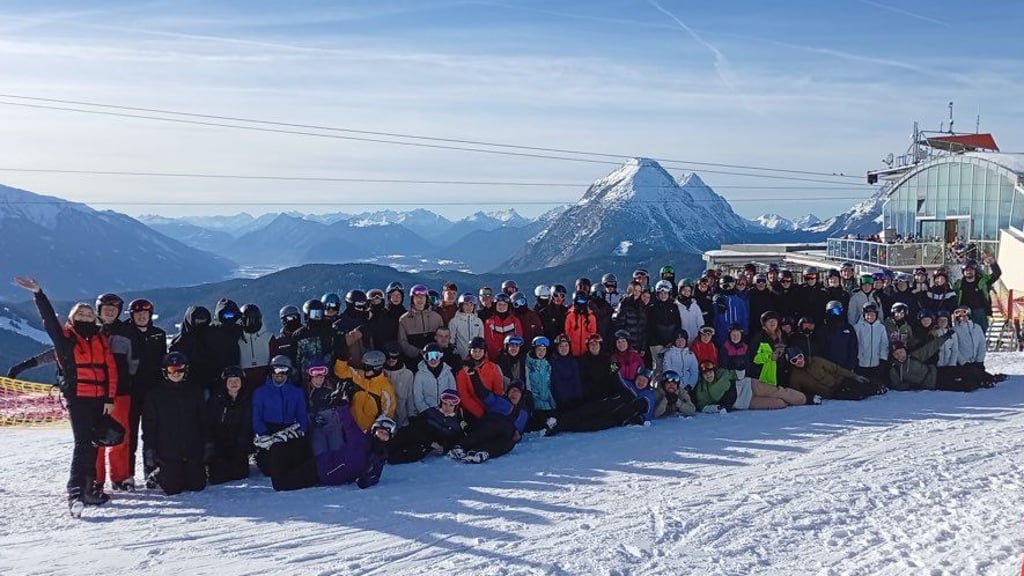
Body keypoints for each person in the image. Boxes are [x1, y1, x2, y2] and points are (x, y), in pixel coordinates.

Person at [17, 276, 118, 514]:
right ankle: (75, 491)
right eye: (80, 314)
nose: (84, 317)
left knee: (95, 443)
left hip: (99, 399)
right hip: (78, 398)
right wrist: (39, 293)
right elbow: (49, 320)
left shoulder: (100, 339)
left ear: (94, 318)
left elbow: (110, 371)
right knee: (83, 443)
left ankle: (90, 489)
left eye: (88, 314)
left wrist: (109, 399)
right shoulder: (65, 341)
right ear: (72, 319)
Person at [141, 352, 207, 496]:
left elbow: (203, 419)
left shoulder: (194, 391)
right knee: (173, 489)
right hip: (168, 452)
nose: (176, 374)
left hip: (191, 449)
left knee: (197, 485)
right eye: (172, 370)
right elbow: (149, 425)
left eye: (180, 369)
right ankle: (158, 473)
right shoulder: (155, 395)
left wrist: (208, 443)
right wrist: (149, 449)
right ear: (165, 371)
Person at [252, 355, 318, 491]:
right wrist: (263, 434)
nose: (280, 375)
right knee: (273, 466)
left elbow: (301, 415)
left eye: (284, 371)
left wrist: (300, 431)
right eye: (276, 371)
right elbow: (256, 417)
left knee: (299, 461)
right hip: (270, 432)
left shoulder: (296, 392)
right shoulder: (260, 392)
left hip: (289, 431)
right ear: (271, 372)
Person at [93, 293, 133, 492]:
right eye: (106, 308)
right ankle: (96, 479)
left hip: (121, 392)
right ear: (99, 309)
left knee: (121, 435)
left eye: (114, 309)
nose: (110, 311)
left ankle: (120, 477)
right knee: (95, 437)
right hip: (94, 393)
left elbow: (133, 362)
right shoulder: (88, 330)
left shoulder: (125, 332)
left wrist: (126, 379)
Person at [543, 369, 655, 435]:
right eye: (639, 379)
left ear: (648, 383)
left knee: (588, 425)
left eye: (644, 381)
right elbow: (615, 375)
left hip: (613, 417)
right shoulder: (627, 384)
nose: (640, 382)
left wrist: (640, 419)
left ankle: (558, 428)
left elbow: (647, 414)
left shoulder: (647, 395)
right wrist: (613, 366)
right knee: (583, 412)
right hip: (607, 404)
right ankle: (555, 421)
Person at [449, 375, 530, 463]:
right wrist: (473, 375)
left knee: (510, 442)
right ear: (507, 392)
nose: (514, 393)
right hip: (491, 423)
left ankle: (482, 452)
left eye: (518, 392)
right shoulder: (499, 400)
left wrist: (518, 437)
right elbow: (482, 392)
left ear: (522, 396)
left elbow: (519, 433)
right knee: (494, 426)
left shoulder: (524, 413)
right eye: (512, 390)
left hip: (505, 433)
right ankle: (461, 447)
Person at [388, 389, 467, 464]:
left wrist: (444, 448)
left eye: (451, 405)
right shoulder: (431, 412)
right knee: (403, 434)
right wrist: (430, 442)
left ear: (456, 406)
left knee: (411, 453)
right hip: (417, 437)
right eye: (445, 404)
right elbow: (414, 427)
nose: (447, 407)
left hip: (424, 446)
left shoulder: (457, 421)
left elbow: (456, 440)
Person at [694, 360, 805, 412]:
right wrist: (717, 408)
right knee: (779, 404)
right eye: (705, 373)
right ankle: (790, 400)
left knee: (778, 391)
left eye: (710, 372)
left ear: (714, 371)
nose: (708, 375)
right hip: (744, 402)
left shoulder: (722, 373)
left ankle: (805, 399)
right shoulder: (702, 388)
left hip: (748, 386)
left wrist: (741, 368)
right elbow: (703, 406)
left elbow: (739, 375)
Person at [205, 366, 253, 485]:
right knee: (218, 478)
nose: (234, 384)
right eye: (230, 381)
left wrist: (244, 442)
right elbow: (209, 423)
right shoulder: (216, 399)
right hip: (219, 444)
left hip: (239, 443)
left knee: (240, 475)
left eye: (237, 380)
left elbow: (247, 423)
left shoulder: (247, 398)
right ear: (225, 383)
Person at [785, 348, 883, 400]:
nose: (799, 361)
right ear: (791, 363)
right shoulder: (795, 377)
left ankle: (878, 388)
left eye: (800, 357)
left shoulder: (816, 361)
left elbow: (836, 369)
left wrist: (854, 376)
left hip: (840, 381)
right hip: (831, 393)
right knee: (856, 395)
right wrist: (809, 398)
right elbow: (796, 393)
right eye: (794, 360)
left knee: (860, 384)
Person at [455, 336, 504, 423]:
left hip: (491, 407)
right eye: (474, 351)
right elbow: (464, 395)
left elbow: (498, 389)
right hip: (472, 411)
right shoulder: (463, 371)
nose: (477, 354)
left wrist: (495, 407)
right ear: (470, 351)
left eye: (480, 351)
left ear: (484, 352)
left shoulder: (492, 367)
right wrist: (480, 413)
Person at [398, 285, 445, 370]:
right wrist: (418, 352)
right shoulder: (404, 319)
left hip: (434, 359)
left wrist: (436, 353)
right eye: (417, 297)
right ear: (412, 299)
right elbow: (402, 342)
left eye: (422, 297)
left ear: (426, 298)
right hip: (413, 361)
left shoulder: (436, 317)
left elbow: (442, 337)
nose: (420, 300)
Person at [955, 257, 1002, 332]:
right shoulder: (959, 284)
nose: (968, 272)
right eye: (966, 270)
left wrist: (993, 263)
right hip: (965, 313)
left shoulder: (983, 282)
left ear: (975, 271)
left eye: (971, 270)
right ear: (963, 272)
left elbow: (997, 274)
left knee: (981, 334)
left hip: (980, 312)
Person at [412, 342, 458, 415]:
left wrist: (447, 409)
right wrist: (428, 412)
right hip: (428, 413)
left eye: (436, 356)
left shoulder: (448, 373)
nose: (433, 360)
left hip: (446, 411)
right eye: (429, 356)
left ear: (441, 356)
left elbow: (453, 393)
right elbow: (418, 397)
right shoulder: (420, 375)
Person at [647, 280, 682, 375]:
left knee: (671, 366)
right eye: (661, 293)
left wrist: (673, 340)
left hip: (670, 342)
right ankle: (656, 388)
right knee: (658, 368)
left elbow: (678, 324)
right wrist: (659, 341)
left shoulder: (674, 307)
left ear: (669, 293)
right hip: (656, 343)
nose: (663, 295)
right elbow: (650, 327)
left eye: (665, 293)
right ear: (657, 294)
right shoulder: (652, 308)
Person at [293, 299, 335, 376]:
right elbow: (296, 358)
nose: (316, 317)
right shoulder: (299, 334)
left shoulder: (329, 332)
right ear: (307, 314)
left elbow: (334, 352)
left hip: (327, 373)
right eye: (314, 314)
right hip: (306, 374)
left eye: (319, 314)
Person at [238, 304, 274, 391]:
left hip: (266, 380)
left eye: (254, 319)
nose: (251, 323)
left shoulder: (268, 337)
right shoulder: (237, 339)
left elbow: (274, 358)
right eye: (248, 320)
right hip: (243, 382)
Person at [207, 298, 243, 381]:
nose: (229, 318)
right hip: (214, 378)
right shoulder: (209, 333)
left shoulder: (238, 331)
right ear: (219, 315)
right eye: (226, 315)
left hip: (234, 378)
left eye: (231, 315)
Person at [525, 336, 556, 431]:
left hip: (547, 401)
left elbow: (548, 383)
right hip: (535, 401)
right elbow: (527, 382)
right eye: (539, 349)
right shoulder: (528, 364)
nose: (541, 352)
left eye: (544, 350)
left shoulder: (546, 363)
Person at [854, 303, 889, 387]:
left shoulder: (881, 327)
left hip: (875, 362)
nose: (870, 317)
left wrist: (883, 359)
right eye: (868, 315)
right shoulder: (858, 327)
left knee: (875, 384)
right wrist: (855, 359)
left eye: (873, 315)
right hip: (862, 362)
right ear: (864, 315)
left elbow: (884, 344)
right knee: (862, 384)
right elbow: (855, 344)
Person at [548, 334, 584, 414]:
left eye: (566, 345)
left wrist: (579, 398)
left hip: (575, 401)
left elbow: (577, 381)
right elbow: (553, 384)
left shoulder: (573, 361)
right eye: (561, 346)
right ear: (557, 348)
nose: (564, 348)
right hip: (560, 403)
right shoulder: (552, 363)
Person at [483, 294, 523, 362]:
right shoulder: (489, 322)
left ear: (508, 306)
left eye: (505, 305)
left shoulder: (514, 321)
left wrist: (509, 351)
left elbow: (518, 337)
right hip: (495, 357)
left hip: (511, 355)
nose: (502, 307)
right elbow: (488, 340)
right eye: (499, 304)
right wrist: (498, 353)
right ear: (495, 305)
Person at [383, 343, 415, 426]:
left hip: (403, 421)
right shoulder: (381, 374)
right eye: (388, 357)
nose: (391, 359)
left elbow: (410, 396)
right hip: (384, 422)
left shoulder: (408, 374)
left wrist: (412, 415)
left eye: (394, 357)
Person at [613, 284, 649, 358]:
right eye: (635, 290)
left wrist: (643, 347)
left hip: (639, 348)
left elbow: (643, 329)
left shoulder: (642, 306)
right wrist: (627, 347)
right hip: (626, 348)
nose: (637, 293)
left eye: (639, 291)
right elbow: (619, 328)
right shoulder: (624, 304)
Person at [823, 301, 858, 371]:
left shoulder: (848, 328)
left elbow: (853, 347)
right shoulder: (823, 330)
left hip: (846, 367)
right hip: (829, 367)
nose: (835, 314)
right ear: (828, 312)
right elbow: (822, 349)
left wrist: (851, 365)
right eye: (833, 311)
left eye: (838, 311)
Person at [564, 291, 599, 357]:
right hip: (572, 352)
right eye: (579, 300)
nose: (581, 303)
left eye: (583, 301)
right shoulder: (570, 316)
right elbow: (567, 333)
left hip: (586, 353)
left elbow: (593, 334)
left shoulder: (591, 317)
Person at [451, 293, 484, 359]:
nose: (469, 307)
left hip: (476, 356)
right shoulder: (454, 321)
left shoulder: (478, 321)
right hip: (460, 356)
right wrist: (456, 353)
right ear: (461, 305)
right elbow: (451, 340)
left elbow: (481, 339)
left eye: (471, 305)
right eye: (466, 304)